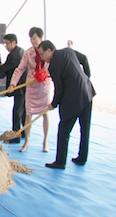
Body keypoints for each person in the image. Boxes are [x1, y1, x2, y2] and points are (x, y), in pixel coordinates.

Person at [38, 41, 95, 169]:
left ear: (49, 50)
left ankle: (60, 161)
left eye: (42, 54)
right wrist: (86, 78)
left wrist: (53, 104)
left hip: (74, 98)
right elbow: (84, 59)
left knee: (64, 130)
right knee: (85, 128)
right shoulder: (68, 51)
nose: (42, 58)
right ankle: (82, 158)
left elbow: (59, 89)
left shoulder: (53, 65)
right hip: (87, 92)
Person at [8, 27, 54, 152]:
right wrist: (13, 84)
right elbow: (20, 69)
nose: (32, 41)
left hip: (44, 86)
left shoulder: (48, 51)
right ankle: (26, 140)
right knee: (28, 113)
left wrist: (46, 74)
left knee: (45, 113)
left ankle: (45, 141)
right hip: (32, 85)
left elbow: (53, 68)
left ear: (41, 38)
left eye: (34, 38)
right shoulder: (28, 53)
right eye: (31, 38)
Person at [0, 33, 27, 143]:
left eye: (7, 43)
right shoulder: (20, 51)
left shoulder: (14, 55)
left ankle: (16, 135)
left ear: (14, 42)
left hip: (19, 85)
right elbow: (7, 68)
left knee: (17, 110)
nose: (6, 46)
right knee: (22, 109)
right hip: (23, 84)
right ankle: (23, 132)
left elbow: (4, 68)